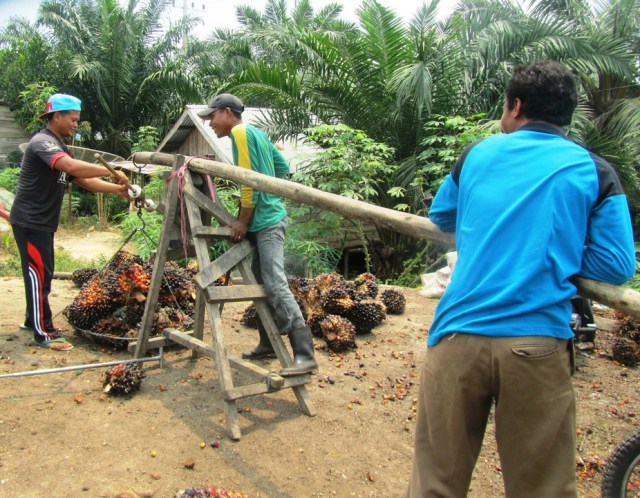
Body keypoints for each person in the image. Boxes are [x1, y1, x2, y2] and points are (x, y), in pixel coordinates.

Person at [407, 61, 636, 497]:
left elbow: (440, 215)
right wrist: (553, 246)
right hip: (535, 346)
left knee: (436, 482)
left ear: (515, 106)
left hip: (456, 338)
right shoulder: (594, 170)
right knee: (541, 488)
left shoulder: (476, 154)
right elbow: (616, 265)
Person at [198, 93, 318, 377]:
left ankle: (305, 354)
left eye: (212, 117)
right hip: (265, 219)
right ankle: (267, 342)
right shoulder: (259, 135)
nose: (209, 123)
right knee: (261, 282)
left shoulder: (240, 132)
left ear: (226, 113)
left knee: (275, 284)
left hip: (265, 222)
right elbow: (283, 168)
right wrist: (268, 196)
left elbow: (248, 183)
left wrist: (242, 220)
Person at [9, 93, 129, 351]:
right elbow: (70, 166)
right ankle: (44, 333)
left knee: (42, 273)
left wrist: (114, 188)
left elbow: (83, 180)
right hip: (30, 221)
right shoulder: (43, 142)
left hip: (41, 222)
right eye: (73, 119)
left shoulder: (60, 146)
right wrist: (112, 170)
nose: (76, 124)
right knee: (38, 274)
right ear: (56, 116)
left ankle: (33, 320)